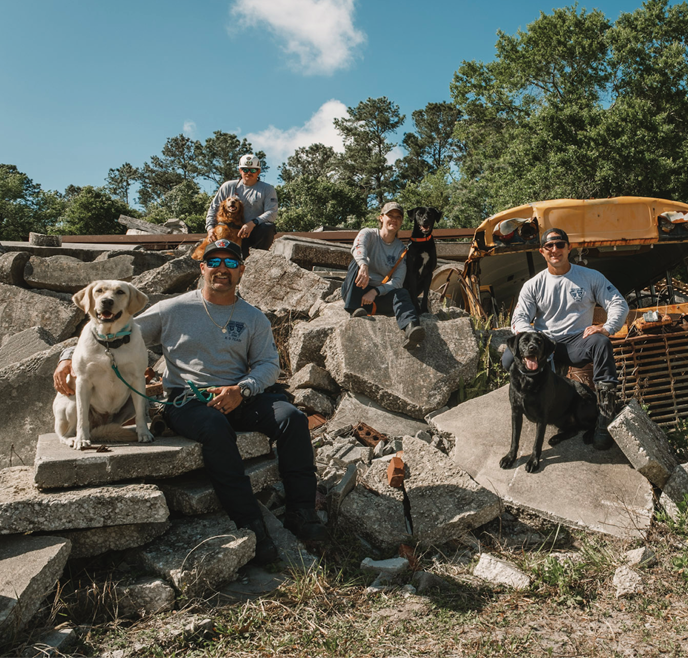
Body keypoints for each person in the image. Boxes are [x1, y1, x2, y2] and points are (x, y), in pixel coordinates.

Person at [53, 239, 323, 565]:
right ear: (202, 268)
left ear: (241, 271)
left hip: (240, 395)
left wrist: (242, 389)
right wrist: (67, 356)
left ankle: (302, 513)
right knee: (214, 428)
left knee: (292, 418)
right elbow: (116, 329)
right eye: (214, 262)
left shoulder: (253, 318)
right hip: (188, 400)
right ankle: (251, 524)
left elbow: (268, 364)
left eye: (231, 263)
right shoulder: (174, 309)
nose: (222, 269)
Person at [501, 228, 629, 449]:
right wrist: (531, 338)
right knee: (508, 359)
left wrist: (607, 328)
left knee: (601, 343)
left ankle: (604, 418)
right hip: (545, 342)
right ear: (542, 251)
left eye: (560, 244)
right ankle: (529, 401)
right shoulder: (533, 285)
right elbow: (519, 318)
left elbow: (618, 303)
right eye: (549, 246)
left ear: (569, 248)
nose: (555, 250)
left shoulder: (590, 277)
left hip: (577, 341)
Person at [340, 201, 425, 349]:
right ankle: (354, 309)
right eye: (390, 215)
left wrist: (375, 291)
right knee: (356, 263)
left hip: (378, 296)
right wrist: (364, 266)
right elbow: (358, 247)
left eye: (398, 217)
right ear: (381, 218)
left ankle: (411, 328)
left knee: (402, 292)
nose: (394, 219)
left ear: (401, 221)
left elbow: (397, 281)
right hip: (357, 290)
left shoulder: (401, 250)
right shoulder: (368, 233)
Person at [205, 153, 278, 257]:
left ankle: (259, 258)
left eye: (253, 170)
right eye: (245, 169)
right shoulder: (227, 187)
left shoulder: (267, 189)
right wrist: (210, 229)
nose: (248, 173)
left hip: (253, 231)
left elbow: (272, 213)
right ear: (240, 170)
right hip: (230, 232)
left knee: (268, 227)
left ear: (258, 171)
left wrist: (252, 223)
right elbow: (213, 209)